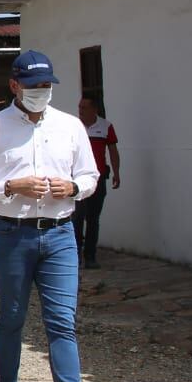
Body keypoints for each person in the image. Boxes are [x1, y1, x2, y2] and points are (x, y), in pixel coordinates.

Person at [0, 51, 120, 382]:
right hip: (12, 234)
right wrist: (9, 186)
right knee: (11, 318)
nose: (41, 92)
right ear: (15, 85)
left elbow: (90, 175)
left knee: (62, 323)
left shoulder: (69, 126)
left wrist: (74, 188)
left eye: (46, 86)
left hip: (60, 234)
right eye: (33, 86)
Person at [73, 98, 120, 269]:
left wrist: (116, 172)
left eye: (84, 107)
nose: (80, 110)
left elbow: (113, 151)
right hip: (77, 180)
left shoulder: (105, 126)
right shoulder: (74, 126)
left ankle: (90, 256)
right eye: (79, 107)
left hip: (98, 180)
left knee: (93, 219)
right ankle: (75, 256)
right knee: (77, 218)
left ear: (94, 109)